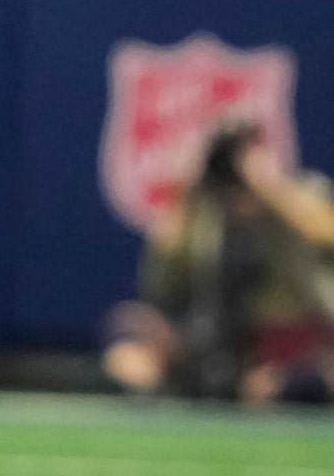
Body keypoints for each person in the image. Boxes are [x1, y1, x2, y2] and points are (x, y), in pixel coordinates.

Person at [103, 123, 334, 406]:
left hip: (288, 342)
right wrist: (185, 193)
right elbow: (159, 281)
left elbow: (325, 232)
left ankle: (270, 388)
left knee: (295, 382)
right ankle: (156, 393)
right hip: (212, 339)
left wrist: (270, 187)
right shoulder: (204, 212)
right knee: (127, 326)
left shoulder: (302, 192)